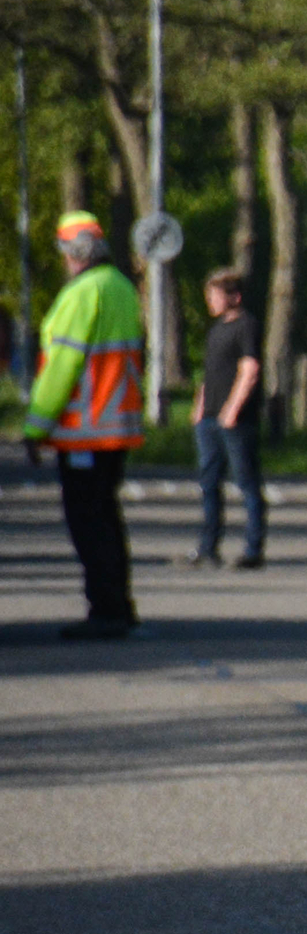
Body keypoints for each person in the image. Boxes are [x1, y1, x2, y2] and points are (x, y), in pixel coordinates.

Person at [20, 211, 144, 639]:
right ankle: (119, 606)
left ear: (74, 253)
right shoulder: (123, 289)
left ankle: (106, 611)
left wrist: (37, 428)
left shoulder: (81, 294)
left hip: (84, 431)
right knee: (108, 518)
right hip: (116, 427)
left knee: (88, 523)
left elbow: (62, 367)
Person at [191, 268, 266, 570]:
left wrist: (232, 410)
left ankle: (252, 549)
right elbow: (211, 373)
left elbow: (249, 370)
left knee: (246, 482)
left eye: (216, 295)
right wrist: (200, 406)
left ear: (234, 297)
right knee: (209, 483)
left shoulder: (247, 326)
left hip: (235, 420)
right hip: (209, 419)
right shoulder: (216, 330)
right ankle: (208, 548)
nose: (210, 300)